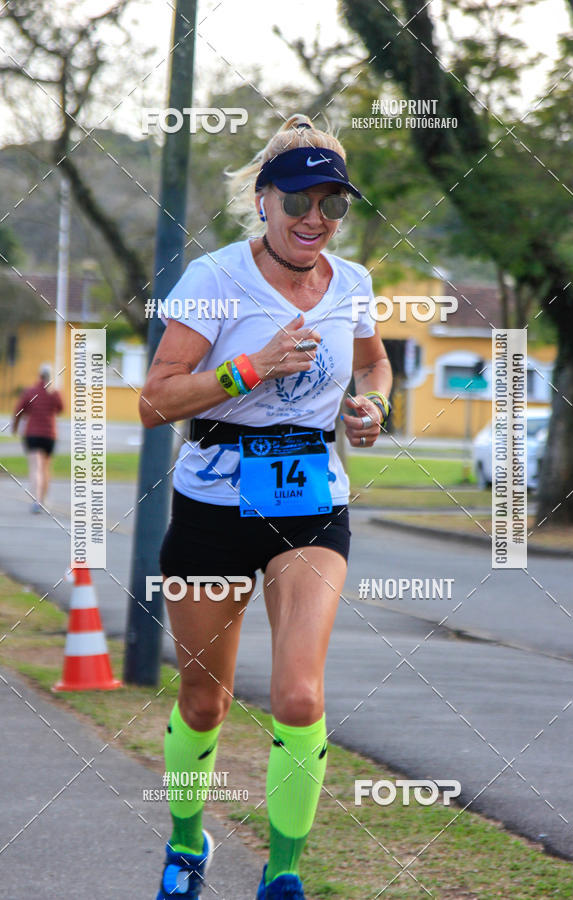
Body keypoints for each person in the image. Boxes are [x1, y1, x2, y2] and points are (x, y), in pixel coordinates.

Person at [140, 114, 392, 900]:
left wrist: (371, 410)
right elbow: (154, 401)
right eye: (298, 200)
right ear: (262, 200)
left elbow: (376, 365)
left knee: (299, 695)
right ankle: (187, 848)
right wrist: (247, 370)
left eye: (333, 203)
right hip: (212, 499)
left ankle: (282, 873)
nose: (316, 218)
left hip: (311, 500)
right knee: (203, 698)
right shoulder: (214, 279)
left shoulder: (351, 284)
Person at [12, 364, 64, 513]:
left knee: (36, 467)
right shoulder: (55, 393)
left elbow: (18, 411)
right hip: (50, 436)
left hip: (33, 434)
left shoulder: (30, 392)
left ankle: (37, 500)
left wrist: (15, 427)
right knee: (46, 468)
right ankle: (43, 499)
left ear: (39, 375)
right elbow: (61, 408)